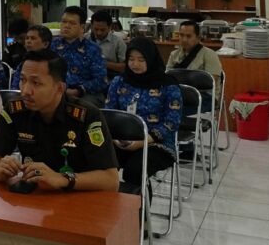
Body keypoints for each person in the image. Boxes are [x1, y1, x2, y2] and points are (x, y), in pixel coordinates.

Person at [0, 50, 119, 192]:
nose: (25, 91)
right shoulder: (15, 110)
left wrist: (62, 179)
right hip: (36, 195)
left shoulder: (87, 116)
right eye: (23, 80)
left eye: (36, 83)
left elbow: (111, 180)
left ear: (60, 88)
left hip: (79, 195)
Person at [106, 38, 183, 187]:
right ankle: (105, 201)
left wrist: (143, 141)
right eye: (131, 59)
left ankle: (140, 203)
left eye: (141, 60)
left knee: (134, 171)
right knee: (100, 163)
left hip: (157, 143)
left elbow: (172, 122)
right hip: (121, 140)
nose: (135, 64)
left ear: (151, 59)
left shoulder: (168, 85)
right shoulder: (119, 81)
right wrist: (116, 139)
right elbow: (110, 113)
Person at [50, 6, 106, 106]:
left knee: (79, 107)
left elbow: (101, 80)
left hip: (85, 94)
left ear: (82, 28)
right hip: (56, 90)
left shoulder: (93, 49)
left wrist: (78, 90)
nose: (66, 26)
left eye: (72, 23)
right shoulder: (52, 45)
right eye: (64, 22)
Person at [168, 19, 223, 111]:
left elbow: (211, 81)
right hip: (180, 94)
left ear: (198, 37)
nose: (184, 39)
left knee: (175, 108)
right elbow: (167, 78)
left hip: (205, 97)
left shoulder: (209, 54)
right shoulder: (174, 55)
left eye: (188, 36)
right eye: (181, 35)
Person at [11, 24, 54, 89]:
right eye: (27, 38)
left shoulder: (54, 63)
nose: (28, 41)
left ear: (45, 44)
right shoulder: (23, 63)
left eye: (33, 38)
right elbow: (15, 88)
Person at [89, 10, 126, 79]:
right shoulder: (85, 39)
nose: (99, 33)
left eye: (102, 30)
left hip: (110, 79)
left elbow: (125, 67)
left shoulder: (118, 42)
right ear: (91, 26)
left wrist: (103, 63)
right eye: (96, 29)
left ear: (110, 27)